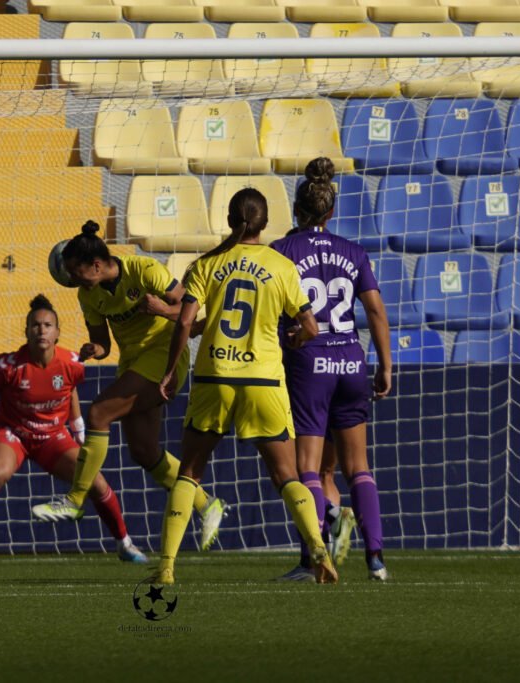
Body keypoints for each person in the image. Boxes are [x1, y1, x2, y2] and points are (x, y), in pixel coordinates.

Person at [149, 188, 337, 585]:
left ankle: (166, 566)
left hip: (214, 377)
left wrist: (170, 372)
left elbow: (184, 322)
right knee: (287, 474)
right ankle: (318, 549)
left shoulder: (207, 264)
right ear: (265, 222)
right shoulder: (281, 265)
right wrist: (296, 340)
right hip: (263, 380)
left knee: (190, 472)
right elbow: (310, 327)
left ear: (230, 219)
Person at [30, 221, 226, 551]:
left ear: (95, 264)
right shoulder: (87, 294)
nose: (74, 282)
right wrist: (95, 350)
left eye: (76, 274)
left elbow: (187, 311)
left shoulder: (145, 269)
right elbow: (102, 342)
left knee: (99, 414)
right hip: (132, 362)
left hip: (165, 357)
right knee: (145, 452)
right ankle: (208, 505)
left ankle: (76, 499)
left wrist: (163, 308)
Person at [0, 294, 147, 564]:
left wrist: (78, 426)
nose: (41, 330)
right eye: (35, 325)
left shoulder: (72, 363)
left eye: (47, 325)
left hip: (52, 436)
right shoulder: (7, 366)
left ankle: (124, 544)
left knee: (96, 482)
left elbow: (69, 390)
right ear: (26, 331)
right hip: (12, 431)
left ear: (57, 332)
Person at [271, 158, 392, 582]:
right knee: (358, 467)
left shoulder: (282, 251)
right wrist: (385, 365)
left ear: (296, 209)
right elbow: (375, 310)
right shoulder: (354, 251)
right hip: (351, 358)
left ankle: (312, 559)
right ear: (331, 212)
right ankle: (376, 560)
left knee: (307, 467)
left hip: (310, 362)